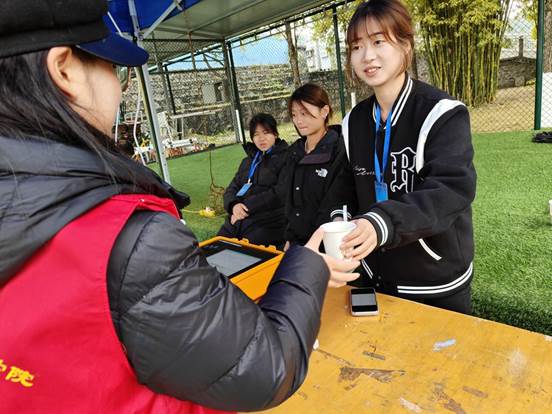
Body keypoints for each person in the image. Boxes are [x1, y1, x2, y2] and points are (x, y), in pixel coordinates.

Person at [0, 1, 360, 413]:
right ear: (65, 70)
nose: (120, 87)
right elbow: (263, 368)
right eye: (114, 69)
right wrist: (306, 264)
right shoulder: (127, 238)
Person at [340, 0, 476, 314]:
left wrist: (381, 222)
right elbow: (343, 188)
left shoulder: (442, 113)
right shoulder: (353, 122)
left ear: (405, 45)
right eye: (357, 46)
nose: (367, 56)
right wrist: (339, 226)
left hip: (434, 279)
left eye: (378, 42)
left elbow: (451, 190)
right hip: (373, 274)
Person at [283, 83, 357, 248]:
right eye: (294, 114)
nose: (298, 120)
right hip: (296, 243)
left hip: (326, 243)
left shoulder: (340, 151)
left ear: (324, 111)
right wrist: (289, 237)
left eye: (304, 113)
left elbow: (337, 198)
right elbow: (289, 202)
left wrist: (315, 243)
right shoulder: (294, 151)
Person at [218, 113, 288, 247]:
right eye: (256, 134)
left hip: (269, 222)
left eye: (266, 133)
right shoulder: (247, 161)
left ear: (275, 134)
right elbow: (232, 188)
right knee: (216, 246)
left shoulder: (286, 158)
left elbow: (280, 192)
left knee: (245, 251)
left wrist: (245, 208)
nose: (261, 138)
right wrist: (234, 206)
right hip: (239, 217)